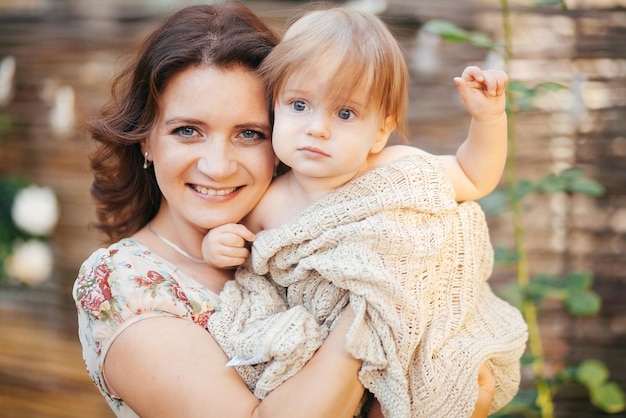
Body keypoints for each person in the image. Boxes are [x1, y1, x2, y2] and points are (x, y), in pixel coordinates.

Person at [71, 2, 496, 418]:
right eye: (187, 131)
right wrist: (380, 291)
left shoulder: (323, 213)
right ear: (146, 138)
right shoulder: (122, 285)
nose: (217, 167)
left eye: (250, 134)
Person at [203, 6, 528, 418]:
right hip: (327, 360)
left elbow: (474, 175)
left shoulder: (396, 169)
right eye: (299, 105)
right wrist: (219, 244)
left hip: (408, 335)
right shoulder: (269, 199)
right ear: (274, 109)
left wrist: (489, 118)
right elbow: (244, 256)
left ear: (379, 132)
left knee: (424, 391)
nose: (317, 128)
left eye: (345, 113)